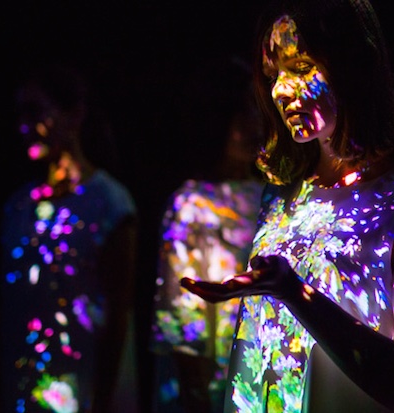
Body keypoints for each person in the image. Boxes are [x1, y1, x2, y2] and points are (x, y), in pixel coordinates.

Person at [180, 1, 394, 412]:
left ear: (353, 65)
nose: (280, 90)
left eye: (301, 67)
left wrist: (294, 292)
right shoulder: (281, 196)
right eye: (275, 74)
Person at [0, 62, 140, 413]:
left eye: (36, 111)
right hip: (26, 389)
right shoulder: (18, 207)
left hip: (87, 389)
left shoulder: (109, 202)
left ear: (74, 115)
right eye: (20, 113)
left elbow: (117, 312)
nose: (24, 126)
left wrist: (102, 401)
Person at [149, 55, 265, 413]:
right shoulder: (192, 204)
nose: (251, 125)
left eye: (255, 109)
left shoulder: (274, 193)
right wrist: (197, 392)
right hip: (216, 381)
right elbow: (181, 313)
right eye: (238, 113)